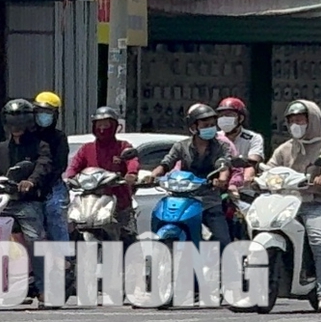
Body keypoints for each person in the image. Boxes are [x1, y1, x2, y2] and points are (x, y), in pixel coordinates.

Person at [267, 100, 321, 312]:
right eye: (292, 120)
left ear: (311, 120)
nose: (296, 124)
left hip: (314, 203)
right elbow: (270, 168)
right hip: (284, 204)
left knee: (319, 240)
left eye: (300, 120)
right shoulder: (285, 149)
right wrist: (260, 176)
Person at [147, 103, 239, 247]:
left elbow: (223, 164)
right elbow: (166, 163)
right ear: (193, 127)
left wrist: (221, 180)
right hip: (183, 198)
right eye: (205, 125)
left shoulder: (221, 146)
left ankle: (222, 268)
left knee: (223, 240)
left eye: (212, 125)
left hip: (209, 200)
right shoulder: (181, 146)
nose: (210, 128)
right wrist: (153, 175)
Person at [0, 98, 54, 301]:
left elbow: (43, 166)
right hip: (2, 202)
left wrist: (31, 181)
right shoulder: (0, 148)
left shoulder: (40, 146)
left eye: (20, 120)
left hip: (27, 202)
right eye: (12, 120)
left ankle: (45, 289)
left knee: (35, 240)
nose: (16, 126)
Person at [64, 107, 141, 239]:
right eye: (99, 124)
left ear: (115, 126)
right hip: (90, 201)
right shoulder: (86, 149)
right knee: (72, 227)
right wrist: (69, 178)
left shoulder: (122, 146)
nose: (102, 128)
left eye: (106, 124)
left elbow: (132, 161)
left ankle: (133, 258)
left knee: (128, 234)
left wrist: (131, 174)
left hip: (119, 200)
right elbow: (74, 166)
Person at [33, 91, 70, 241]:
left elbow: (60, 166)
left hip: (52, 185)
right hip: (28, 185)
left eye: (47, 112)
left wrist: (43, 185)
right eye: (39, 112)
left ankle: (64, 257)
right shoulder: (28, 135)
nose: (43, 116)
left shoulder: (59, 137)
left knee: (54, 210)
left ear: (55, 115)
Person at [215, 97, 266, 164]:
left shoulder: (253, 138)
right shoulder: (215, 137)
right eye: (221, 115)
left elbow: (253, 162)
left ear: (241, 118)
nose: (224, 118)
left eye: (229, 115)